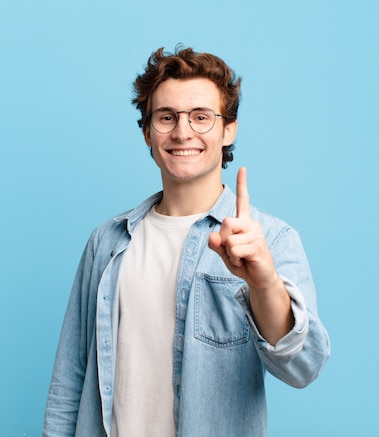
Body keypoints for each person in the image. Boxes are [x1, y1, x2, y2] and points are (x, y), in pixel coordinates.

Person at [42, 46, 330, 437]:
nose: (182, 132)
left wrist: (264, 284)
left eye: (200, 117)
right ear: (147, 132)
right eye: (166, 117)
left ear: (229, 129)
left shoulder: (268, 240)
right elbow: (70, 377)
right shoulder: (107, 242)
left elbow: (303, 367)